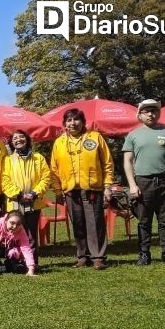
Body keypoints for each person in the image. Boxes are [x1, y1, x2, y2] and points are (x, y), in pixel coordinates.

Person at [50, 108, 115, 270]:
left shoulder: (95, 137)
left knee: (95, 224)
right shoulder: (59, 142)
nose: (73, 123)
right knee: (78, 224)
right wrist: (58, 191)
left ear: (83, 121)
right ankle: (82, 256)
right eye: (69, 120)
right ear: (64, 124)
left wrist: (108, 186)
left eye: (76, 119)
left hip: (92, 188)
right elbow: (54, 169)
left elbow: (107, 163)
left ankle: (98, 257)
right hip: (71, 190)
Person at [123, 99, 165, 266]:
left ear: (158, 113)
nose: (150, 114)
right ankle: (144, 254)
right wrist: (132, 185)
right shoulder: (133, 135)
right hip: (143, 181)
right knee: (144, 221)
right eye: (146, 111)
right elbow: (127, 161)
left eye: (154, 110)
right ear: (140, 115)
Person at [1, 130, 50, 268]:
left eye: (21, 137)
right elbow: (5, 180)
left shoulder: (38, 158)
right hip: (15, 204)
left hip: (34, 202)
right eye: (15, 138)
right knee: (13, 234)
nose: (18, 140)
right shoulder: (8, 160)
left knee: (31, 235)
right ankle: (14, 262)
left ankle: (32, 263)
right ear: (11, 142)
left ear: (27, 139)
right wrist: (19, 194)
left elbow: (46, 178)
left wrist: (34, 193)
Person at [0, 211, 36, 277]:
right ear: (6, 220)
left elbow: (26, 249)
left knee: (16, 252)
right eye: (12, 223)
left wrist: (31, 269)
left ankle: (11, 264)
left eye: (18, 224)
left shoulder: (21, 231)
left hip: (9, 250)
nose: (14, 226)